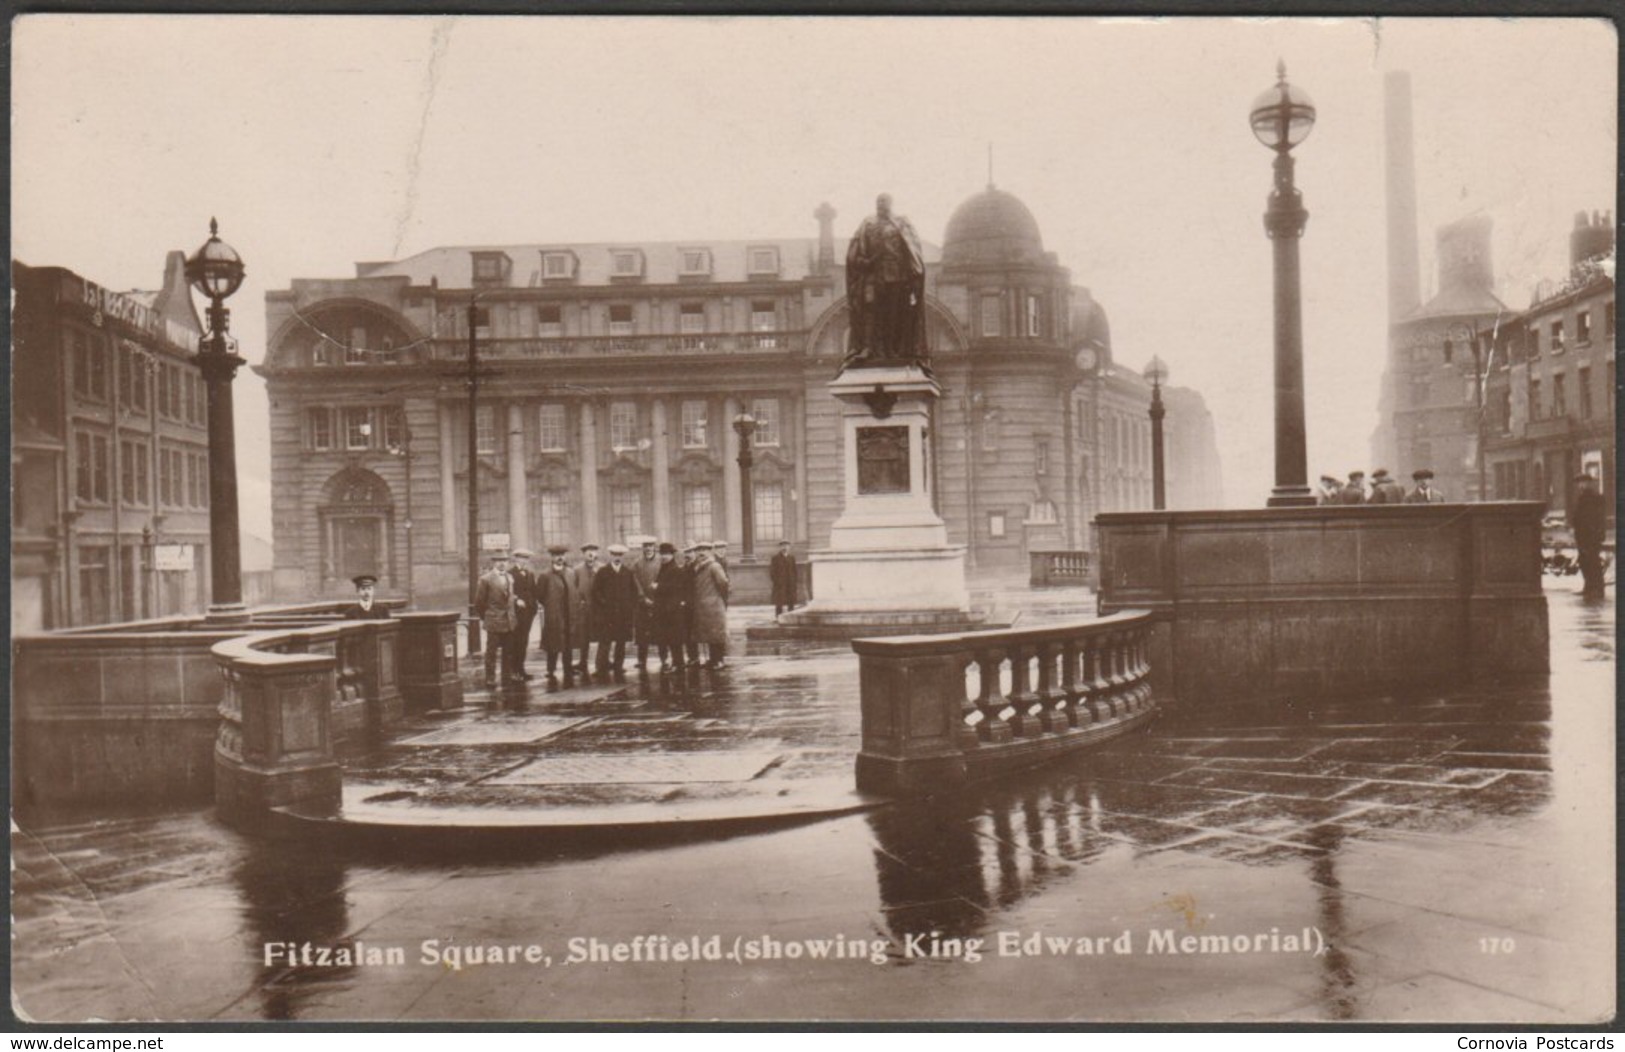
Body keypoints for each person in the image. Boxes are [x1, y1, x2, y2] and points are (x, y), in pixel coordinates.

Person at [842, 192, 928, 370]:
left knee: (894, 315)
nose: (880, 204)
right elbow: (854, 253)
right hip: (874, 277)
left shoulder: (902, 223)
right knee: (870, 312)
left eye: (884, 201)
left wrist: (913, 275)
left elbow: (912, 250)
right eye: (878, 201)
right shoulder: (867, 224)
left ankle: (893, 351)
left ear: (891, 203)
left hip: (897, 276)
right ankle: (869, 349)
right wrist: (863, 262)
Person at [592, 543, 639, 676]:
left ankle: (618, 665)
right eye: (614, 555)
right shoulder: (603, 572)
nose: (617, 558)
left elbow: (634, 591)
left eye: (619, 555)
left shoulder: (627, 572)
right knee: (605, 641)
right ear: (610, 556)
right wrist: (604, 604)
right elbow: (596, 591)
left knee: (621, 641)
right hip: (607, 614)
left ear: (622, 556)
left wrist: (630, 607)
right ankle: (601, 667)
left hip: (623, 614)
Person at [473, 553, 518, 688]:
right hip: (493, 620)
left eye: (504, 560)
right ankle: (490, 678)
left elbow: (510, 598)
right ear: (494, 563)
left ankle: (507, 675)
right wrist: (487, 616)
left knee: (508, 650)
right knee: (491, 651)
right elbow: (479, 602)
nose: (502, 563)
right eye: (499, 560)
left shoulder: (510, 578)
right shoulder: (486, 579)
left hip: (509, 620)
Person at [538, 545, 578, 686]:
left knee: (568, 642)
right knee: (553, 643)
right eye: (556, 555)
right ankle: (551, 669)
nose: (560, 558)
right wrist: (551, 606)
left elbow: (575, 589)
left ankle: (568, 668)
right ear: (552, 558)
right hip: (554, 614)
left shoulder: (571, 573)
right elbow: (540, 595)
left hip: (569, 612)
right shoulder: (545, 575)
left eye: (562, 555)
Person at [690, 542, 731, 669]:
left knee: (716, 635)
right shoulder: (697, 567)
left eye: (704, 550)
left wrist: (721, 599)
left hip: (713, 605)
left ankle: (719, 660)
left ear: (710, 552)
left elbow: (723, 583)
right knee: (707, 634)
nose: (701, 553)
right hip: (701, 606)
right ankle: (712, 659)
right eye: (699, 550)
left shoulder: (714, 566)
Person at [652, 542, 690, 672]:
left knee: (675, 639)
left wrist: (658, 587)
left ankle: (678, 663)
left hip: (672, 610)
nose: (664, 556)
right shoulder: (665, 567)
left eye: (666, 554)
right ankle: (677, 663)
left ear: (672, 555)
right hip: (665, 610)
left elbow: (676, 588)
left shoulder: (675, 569)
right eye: (662, 554)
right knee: (670, 638)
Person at [1572, 472, 1608, 599]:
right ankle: (1589, 587)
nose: (1580, 485)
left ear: (1589, 483)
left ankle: (1598, 589)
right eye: (1579, 483)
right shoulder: (1582, 497)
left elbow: (1597, 517)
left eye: (1583, 483)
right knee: (1584, 562)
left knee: (1593, 562)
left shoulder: (1594, 497)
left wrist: (1598, 533)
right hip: (1583, 535)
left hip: (1591, 535)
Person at [507, 549, 540, 681]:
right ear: (516, 559)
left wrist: (534, 606)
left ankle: (521, 670)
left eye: (526, 558)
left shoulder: (530, 574)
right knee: (515, 642)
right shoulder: (510, 574)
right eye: (521, 558)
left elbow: (533, 591)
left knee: (523, 642)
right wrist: (516, 600)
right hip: (516, 613)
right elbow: (507, 592)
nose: (524, 560)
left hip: (528, 613)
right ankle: (514, 671)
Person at [630, 536, 661, 671]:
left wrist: (658, 596)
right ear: (642, 548)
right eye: (646, 546)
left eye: (650, 546)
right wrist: (642, 598)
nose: (648, 548)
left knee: (661, 633)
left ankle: (664, 659)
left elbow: (665, 579)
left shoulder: (661, 562)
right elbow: (634, 582)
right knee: (642, 634)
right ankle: (642, 660)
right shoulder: (637, 563)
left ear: (654, 547)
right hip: (642, 604)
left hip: (659, 603)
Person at [572, 543, 601, 678]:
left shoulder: (602, 568)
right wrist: (579, 601)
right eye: (588, 552)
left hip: (599, 607)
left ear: (597, 554)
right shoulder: (577, 570)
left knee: (603, 635)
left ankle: (603, 662)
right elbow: (574, 588)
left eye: (593, 552)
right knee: (583, 636)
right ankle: (583, 661)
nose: (591, 555)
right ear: (583, 554)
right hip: (584, 608)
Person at [770, 539, 798, 618]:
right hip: (780, 584)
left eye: (786, 546)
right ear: (780, 547)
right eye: (783, 546)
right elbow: (772, 572)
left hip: (790, 583)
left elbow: (795, 571)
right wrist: (777, 581)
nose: (784, 547)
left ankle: (791, 617)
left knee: (791, 602)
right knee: (779, 602)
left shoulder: (791, 558)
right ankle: (778, 617)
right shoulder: (775, 558)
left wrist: (794, 581)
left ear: (789, 547)